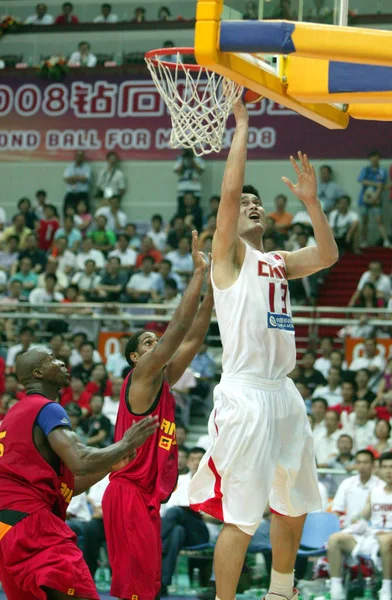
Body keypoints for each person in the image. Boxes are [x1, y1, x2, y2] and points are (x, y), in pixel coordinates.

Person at [188, 100, 338, 600]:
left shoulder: (275, 260)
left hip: (284, 392)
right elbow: (229, 193)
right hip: (247, 393)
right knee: (241, 517)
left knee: (293, 503)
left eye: (259, 203)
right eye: (246, 203)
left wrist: (312, 204)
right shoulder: (228, 258)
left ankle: (280, 592)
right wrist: (244, 124)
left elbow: (327, 255)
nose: (252, 204)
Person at [102, 231, 214, 600]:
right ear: (135, 357)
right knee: (135, 588)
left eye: (156, 341)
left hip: (147, 494)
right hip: (128, 491)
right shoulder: (142, 377)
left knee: (149, 587)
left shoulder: (163, 382)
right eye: (148, 343)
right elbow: (177, 330)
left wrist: (213, 290)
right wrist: (198, 272)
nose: (157, 346)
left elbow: (192, 339)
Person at [0, 347, 159, 600]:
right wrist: (126, 443)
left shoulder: (14, 415)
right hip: (31, 524)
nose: (61, 362)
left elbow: (66, 487)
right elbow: (81, 460)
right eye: (51, 360)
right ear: (38, 373)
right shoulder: (47, 409)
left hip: (7, 529)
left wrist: (110, 464)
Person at [328, 452, 392, 600]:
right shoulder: (374, 492)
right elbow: (363, 514)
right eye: (385, 467)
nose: (389, 471)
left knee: (385, 540)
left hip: (388, 537)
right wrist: (356, 521)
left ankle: (386, 588)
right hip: (374, 536)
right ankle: (336, 588)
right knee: (335, 539)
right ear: (380, 469)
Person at [161, 447, 209, 593]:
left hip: (200, 530)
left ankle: (156, 544)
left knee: (176, 512)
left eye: (199, 459)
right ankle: (163, 584)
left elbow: (218, 517)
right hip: (179, 529)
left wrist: (198, 513)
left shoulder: (212, 483)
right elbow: (168, 507)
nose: (196, 463)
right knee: (177, 532)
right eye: (193, 459)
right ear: (187, 462)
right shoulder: (179, 481)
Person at [357, 150, 389, 247]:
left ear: (379, 159)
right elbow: (361, 180)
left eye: (377, 158)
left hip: (376, 199)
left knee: (379, 220)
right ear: (370, 159)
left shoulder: (382, 171)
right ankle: (363, 241)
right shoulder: (365, 170)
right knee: (364, 221)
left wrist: (375, 197)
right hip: (364, 199)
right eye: (372, 157)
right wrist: (375, 183)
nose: (374, 160)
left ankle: (386, 241)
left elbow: (382, 185)